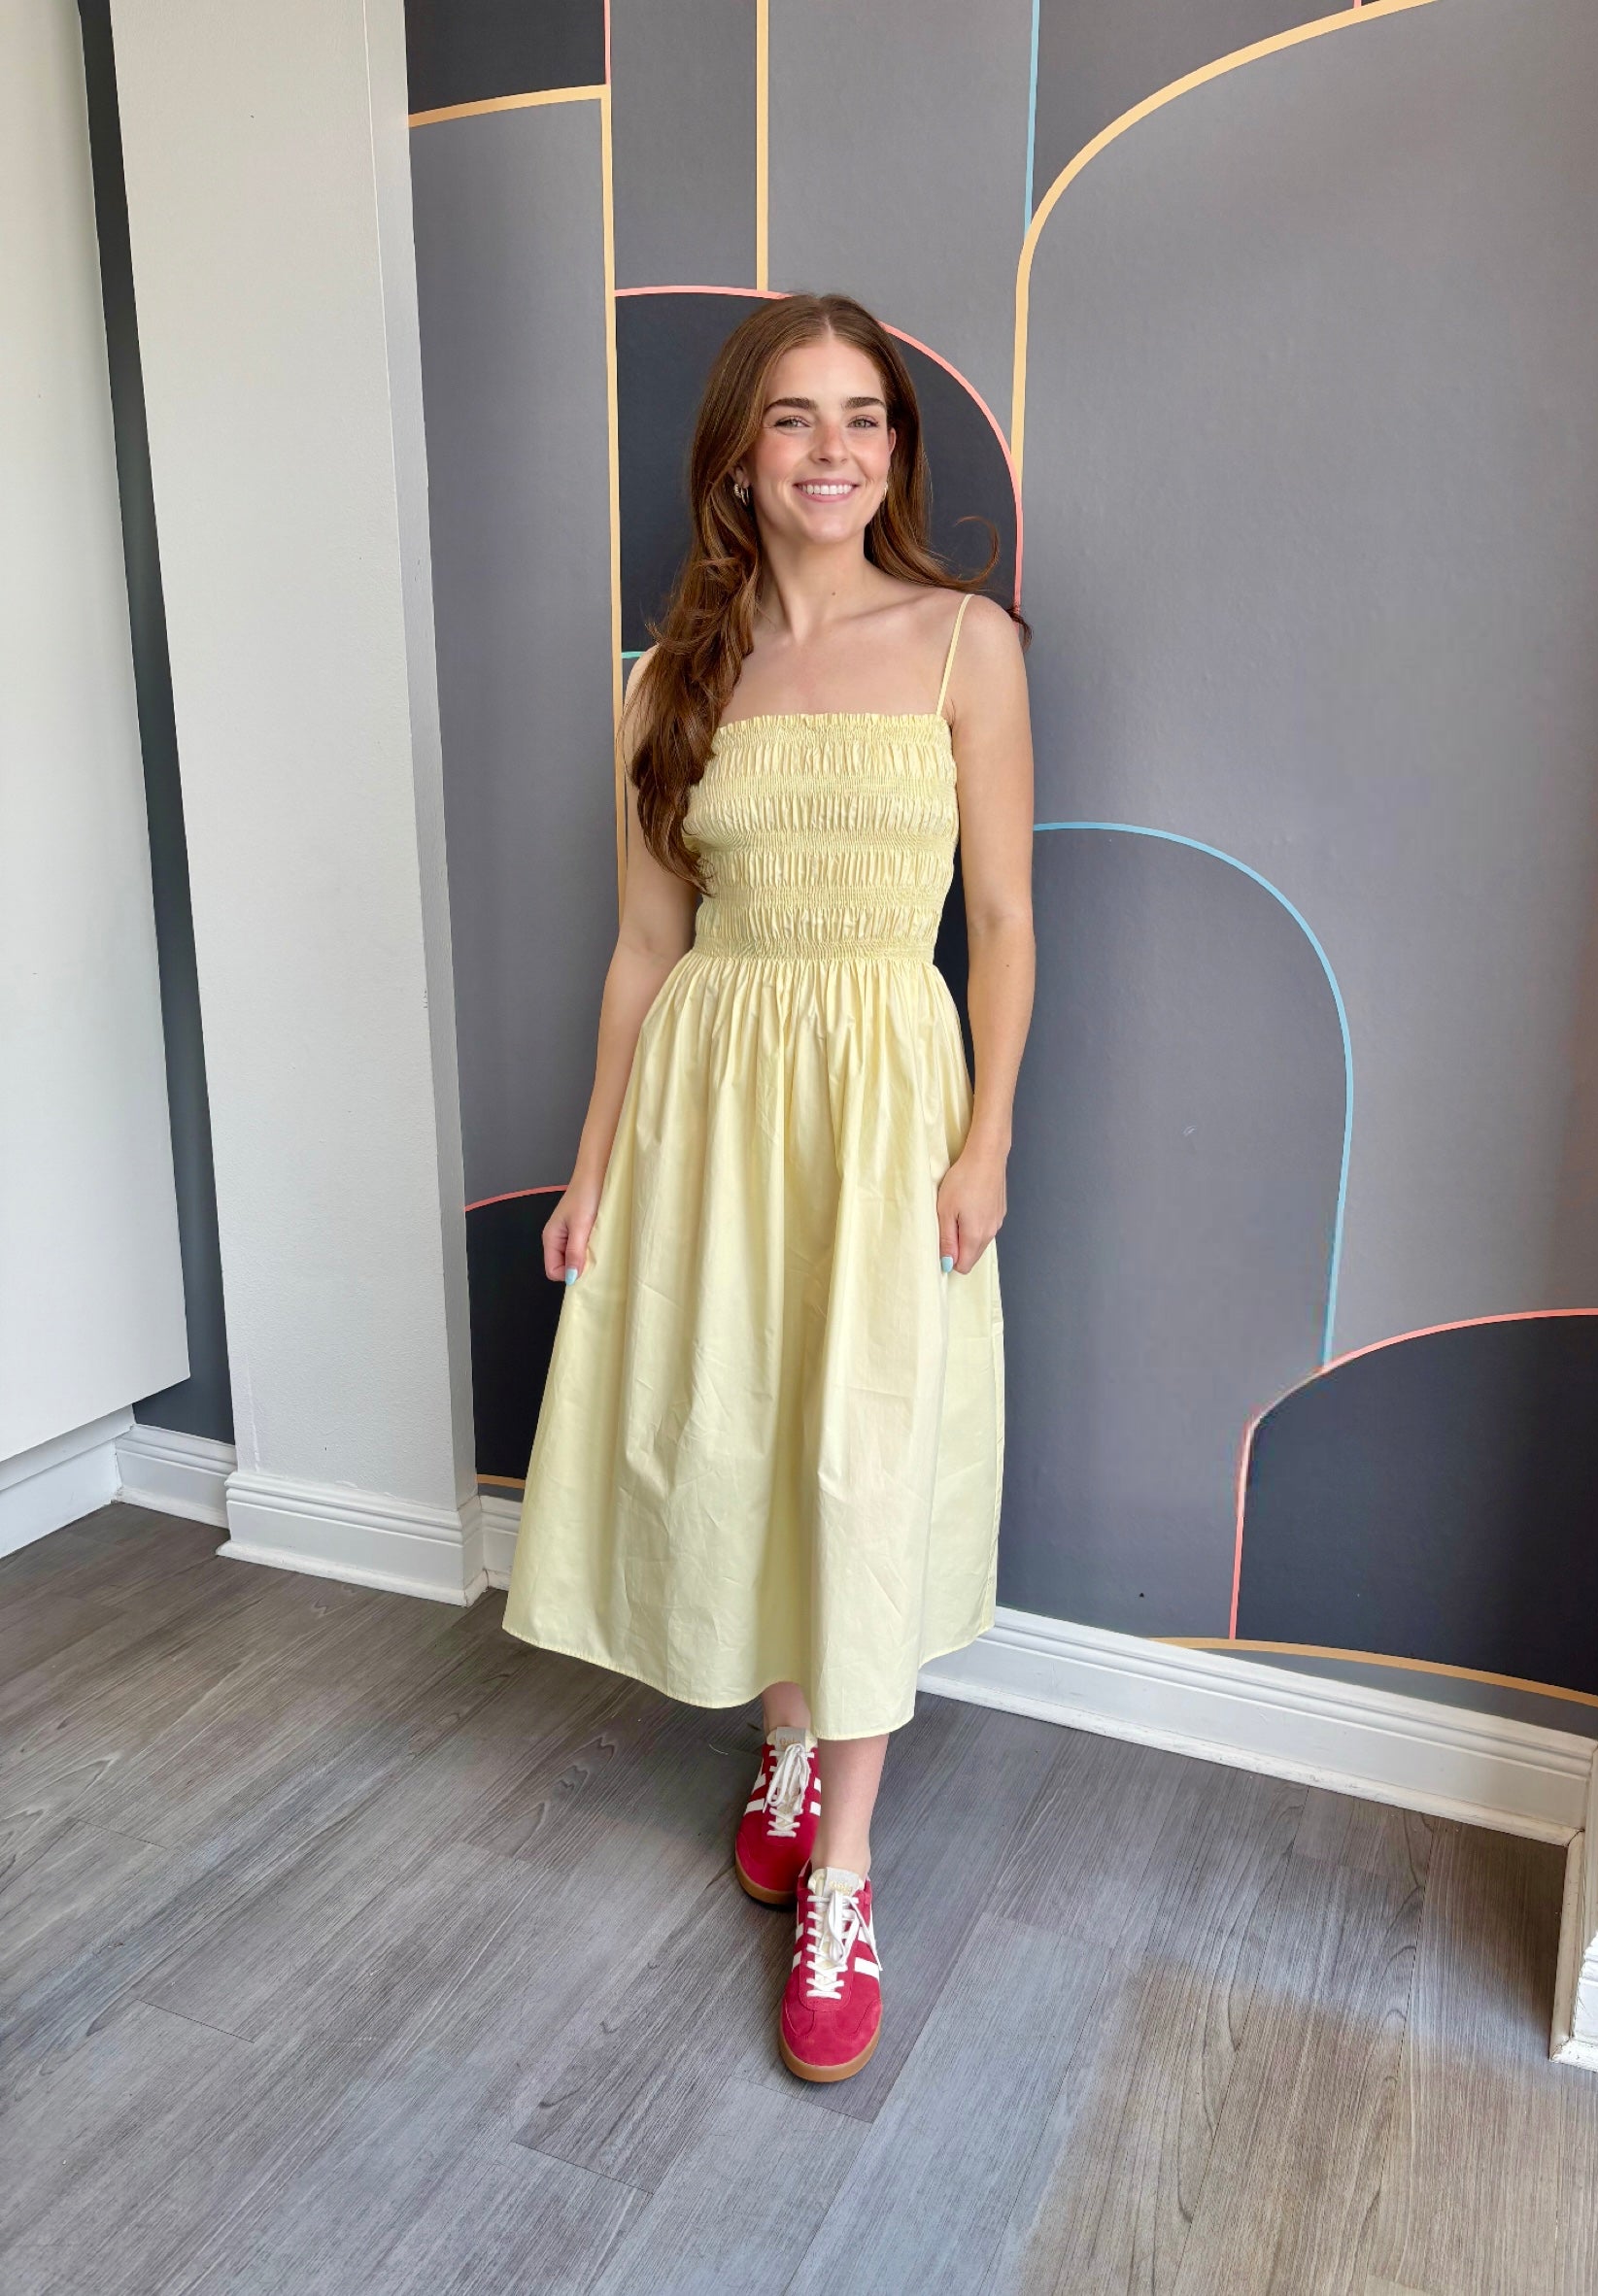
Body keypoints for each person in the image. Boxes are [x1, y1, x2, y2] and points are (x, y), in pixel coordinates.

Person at [501, 290, 1036, 2083]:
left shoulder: (964, 644)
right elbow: (643, 951)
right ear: (738, 451)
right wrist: (592, 1170)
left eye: (863, 417)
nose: (833, 450)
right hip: (714, 1103)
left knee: (863, 1457)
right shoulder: (671, 678)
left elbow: (1004, 922)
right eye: (795, 416)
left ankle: (845, 1875)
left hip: (885, 1096)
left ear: (895, 449)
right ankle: (787, 1748)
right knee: (749, 1435)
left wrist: (987, 1140)